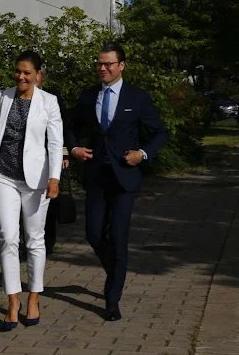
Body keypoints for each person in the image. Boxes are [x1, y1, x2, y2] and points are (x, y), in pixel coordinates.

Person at [68, 42, 167, 321]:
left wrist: (143, 153)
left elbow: (159, 133)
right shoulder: (88, 97)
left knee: (119, 238)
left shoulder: (137, 98)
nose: (103, 68)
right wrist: (73, 149)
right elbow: (69, 128)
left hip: (125, 177)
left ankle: (112, 299)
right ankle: (117, 271)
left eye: (109, 64)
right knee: (94, 233)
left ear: (121, 66)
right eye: (99, 63)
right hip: (96, 175)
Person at [0, 50, 63, 331]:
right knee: (8, 237)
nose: (21, 77)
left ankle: (34, 296)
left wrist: (55, 177)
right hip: (3, 175)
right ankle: (12, 301)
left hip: (36, 180)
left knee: (35, 239)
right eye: (17, 71)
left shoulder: (49, 102)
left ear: (38, 75)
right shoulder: (1, 98)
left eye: (27, 72)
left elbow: (54, 143)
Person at [35, 70, 70, 256]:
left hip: (51, 155)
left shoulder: (52, 97)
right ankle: (28, 243)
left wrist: (64, 154)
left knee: (50, 201)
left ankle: (48, 241)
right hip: (28, 159)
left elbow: (62, 127)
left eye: (38, 73)